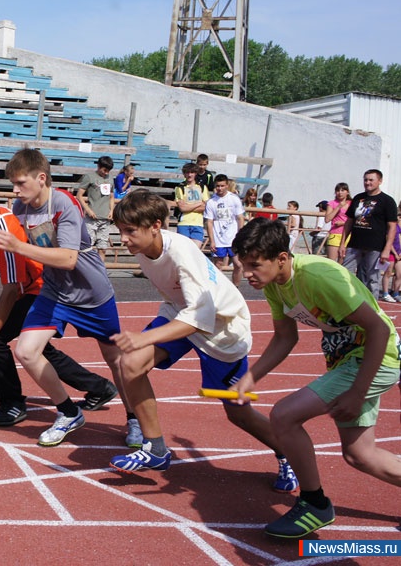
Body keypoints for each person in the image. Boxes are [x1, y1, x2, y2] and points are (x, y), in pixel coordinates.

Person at [106, 191, 298, 495]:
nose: (124, 239)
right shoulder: (143, 250)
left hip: (222, 330)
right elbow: (184, 308)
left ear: (155, 226)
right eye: (121, 231)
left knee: (238, 412)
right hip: (181, 314)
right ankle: (155, 449)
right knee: (129, 363)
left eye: (130, 231)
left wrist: (144, 336)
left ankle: (288, 454)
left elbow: (200, 317)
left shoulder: (181, 252)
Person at [232, 217, 400, 539]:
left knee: (283, 415)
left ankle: (314, 503)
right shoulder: (274, 284)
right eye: (244, 265)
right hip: (348, 361)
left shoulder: (318, 276)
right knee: (360, 455)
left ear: (282, 258)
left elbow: (378, 328)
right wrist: (251, 377)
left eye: (255, 265)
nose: (248, 274)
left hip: (374, 358)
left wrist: (358, 391)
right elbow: (285, 338)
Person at [0, 149, 137, 448]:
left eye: (20, 183)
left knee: (115, 360)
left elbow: (69, 258)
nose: (15, 191)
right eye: (13, 185)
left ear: (41, 178)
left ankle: (135, 418)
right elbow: (26, 246)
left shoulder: (64, 203)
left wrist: (17, 247)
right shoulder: (20, 207)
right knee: (27, 350)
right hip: (55, 292)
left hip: (91, 292)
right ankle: (68, 412)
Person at [0, 174, 119, 427]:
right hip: (30, 287)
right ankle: (98, 387)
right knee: (38, 349)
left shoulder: (3, 225)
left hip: (39, 288)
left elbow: (12, 288)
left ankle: (12, 404)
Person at [339, 169, 397, 298]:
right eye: (365, 180)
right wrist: (343, 243)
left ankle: (373, 309)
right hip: (354, 244)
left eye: (371, 180)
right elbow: (349, 221)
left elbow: (392, 226)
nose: (367, 183)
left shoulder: (387, 201)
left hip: (375, 246)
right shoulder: (358, 198)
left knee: (372, 278)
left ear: (379, 181)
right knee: (344, 273)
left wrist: (387, 249)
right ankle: (345, 302)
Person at [204, 173, 245, 285]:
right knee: (218, 265)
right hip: (218, 239)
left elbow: (240, 218)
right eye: (218, 186)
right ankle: (218, 289)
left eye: (222, 186)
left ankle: (236, 287)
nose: (220, 188)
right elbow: (209, 222)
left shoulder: (234, 199)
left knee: (238, 264)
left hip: (233, 239)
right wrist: (212, 240)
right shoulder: (211, 202)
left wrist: (240, 236)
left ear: (227, 185)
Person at [75, 155, 114, 261]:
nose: (106, 173)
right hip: (92, 218)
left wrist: (111, 211)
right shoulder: (89, 177)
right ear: (98, 166)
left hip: (105, 218)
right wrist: (88, 210)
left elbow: (111, 196)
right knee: (88, 247)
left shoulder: (110, 178)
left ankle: (101, 270)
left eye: (108, 171)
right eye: (104, 170)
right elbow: (79, 195)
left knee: (102, 248)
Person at [173, 162, 209, 249]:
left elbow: (206, 206)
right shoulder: (180, 187)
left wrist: (188, 206)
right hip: (184, 223)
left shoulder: (202, 187)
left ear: (195, 173)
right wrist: (199, 203)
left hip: (198, 223)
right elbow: (182, 208)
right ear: (184, 174)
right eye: (187, 172)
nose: (189, 175)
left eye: (192, 172)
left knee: (195, 251)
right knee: (184, 251)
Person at [324, 182, 351, 262]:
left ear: (347, 192)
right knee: (331, 262)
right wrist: (338, 206)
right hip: (335, 234)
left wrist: (343, 223)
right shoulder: (332, 203)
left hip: (347, 234)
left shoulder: (351, 203)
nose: (340, 193)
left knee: (342, 262)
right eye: (338, 190)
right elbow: (327, 219)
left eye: (343, 190)